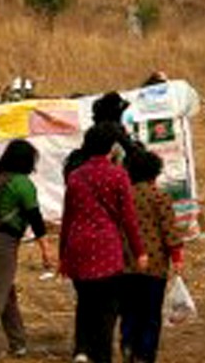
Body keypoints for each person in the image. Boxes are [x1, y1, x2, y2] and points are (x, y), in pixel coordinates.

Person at [59, 123, 146, 363]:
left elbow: (68, 216)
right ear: (111, 147)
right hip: (107, 249)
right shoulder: (118, 175)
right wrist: (139, 251)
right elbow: (129, 219)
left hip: (77, 247)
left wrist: (62, 255)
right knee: (107, 309)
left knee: (85, 302)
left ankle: (82, 350)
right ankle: (101, 356)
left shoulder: (76, 176)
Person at [0, 139, 50, 360]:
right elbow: (36, 219)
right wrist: (46, 250)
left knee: (6, 293)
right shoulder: (23, 184)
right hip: (4, 245)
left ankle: (18, 342)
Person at [121, 151, 182, 363]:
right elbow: (170, 232)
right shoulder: (161, 197)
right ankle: (145, 355)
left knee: (129, 311)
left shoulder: (123, 196)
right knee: (150, 314)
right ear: (155, 173)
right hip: (155, 266)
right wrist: (177, 258)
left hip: (126, 264)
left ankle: (128, 346)